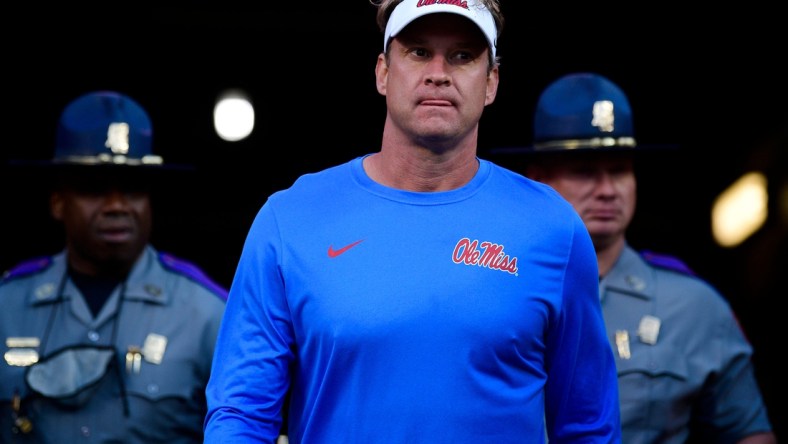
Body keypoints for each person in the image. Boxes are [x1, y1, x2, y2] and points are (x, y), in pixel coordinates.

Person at [204, 1, 621, 443]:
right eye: (419, 52)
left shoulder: (554, 228)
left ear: (492, 81)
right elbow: (241, 416)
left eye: (462, 56)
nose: (439, 72)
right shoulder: (289, 220)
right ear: (383, 72)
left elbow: (588, 426)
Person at [492, 72, 778, 443]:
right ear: (539, 180)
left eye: (620, 170)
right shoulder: (492, 291)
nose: (608, 190)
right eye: (584, 172)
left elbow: (750, 434)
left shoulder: (692, 306)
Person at [0, 90, 228, 443]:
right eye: (94, 188)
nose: (117, 206)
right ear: (58, 202)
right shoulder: (6, 306)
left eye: (133, 188)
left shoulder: (207, 314)